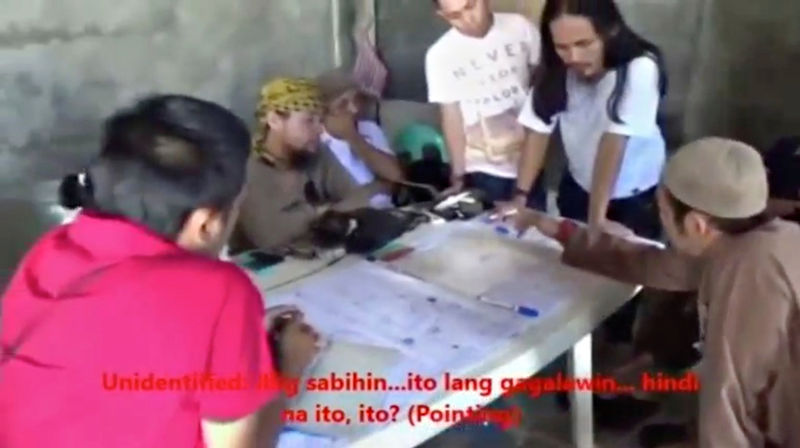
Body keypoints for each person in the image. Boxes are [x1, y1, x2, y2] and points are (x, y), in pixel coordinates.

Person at [0, 95, 320, 447]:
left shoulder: (53, 249)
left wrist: (239, 344)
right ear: (207, 224)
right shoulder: (220, 291)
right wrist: (288, 372)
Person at [511, 137, 800, 448]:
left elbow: (730, 399)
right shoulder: (755, 238)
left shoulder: (750, 273)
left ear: (696, 224)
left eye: (661, 211)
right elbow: (652, 264)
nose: (660, 221)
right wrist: (560, 231)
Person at [513, 0, 667, 239]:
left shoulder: (640, 67)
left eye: (584, 44)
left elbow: (614, 141)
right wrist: (520, 197)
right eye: (562, 47)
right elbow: (538, 129)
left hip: (632, 196)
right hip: (578, 182)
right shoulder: (556, 68)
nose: (573, 56)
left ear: (611, 31)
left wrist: (597, 220)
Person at [233, 77, 387, 253]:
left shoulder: (314, 151)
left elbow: (360, 197)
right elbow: (271, 237)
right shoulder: (248, 169)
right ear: (274, 120)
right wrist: (325, 212)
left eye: (320, 121)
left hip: (322, 256)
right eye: (309, 121)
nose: (319, 129)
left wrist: (315, 215)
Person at [425, 0, 546, 209]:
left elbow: (542, 84)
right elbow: (451, 117)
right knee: (491, 233)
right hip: (482, 169)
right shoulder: (440, 56)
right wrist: (458, 175)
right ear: (442, 16)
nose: (467, 19)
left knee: (533, 232)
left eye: (470, 6)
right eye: (455, 16)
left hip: (529, 161)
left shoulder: (520, 28)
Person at [316, 68, 404, 209]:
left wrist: (353, 137)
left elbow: (395, 176)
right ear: (323, 112)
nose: (354, 109)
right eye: (343, 104)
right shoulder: (316, 142)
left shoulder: (369, 129)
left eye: (356, 100)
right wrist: (377, 187)